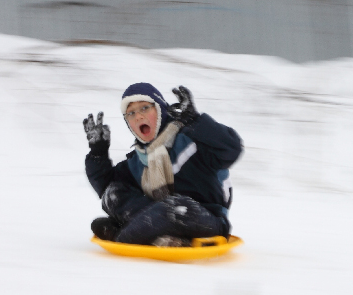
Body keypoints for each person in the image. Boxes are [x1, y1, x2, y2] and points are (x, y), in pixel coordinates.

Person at [83, 82, 242, 246]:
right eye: (131, 113)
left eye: (145, 108)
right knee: (113, 194)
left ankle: (121, 237)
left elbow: (232, 148)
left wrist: (196, 122)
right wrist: (98, 152)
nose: (138, 116)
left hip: (205, 219)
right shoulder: (138, 160)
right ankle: (167, 239)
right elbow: (106, 187)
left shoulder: (192, 140)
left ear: (160, 110)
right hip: (159, 216)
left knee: (173, 208)